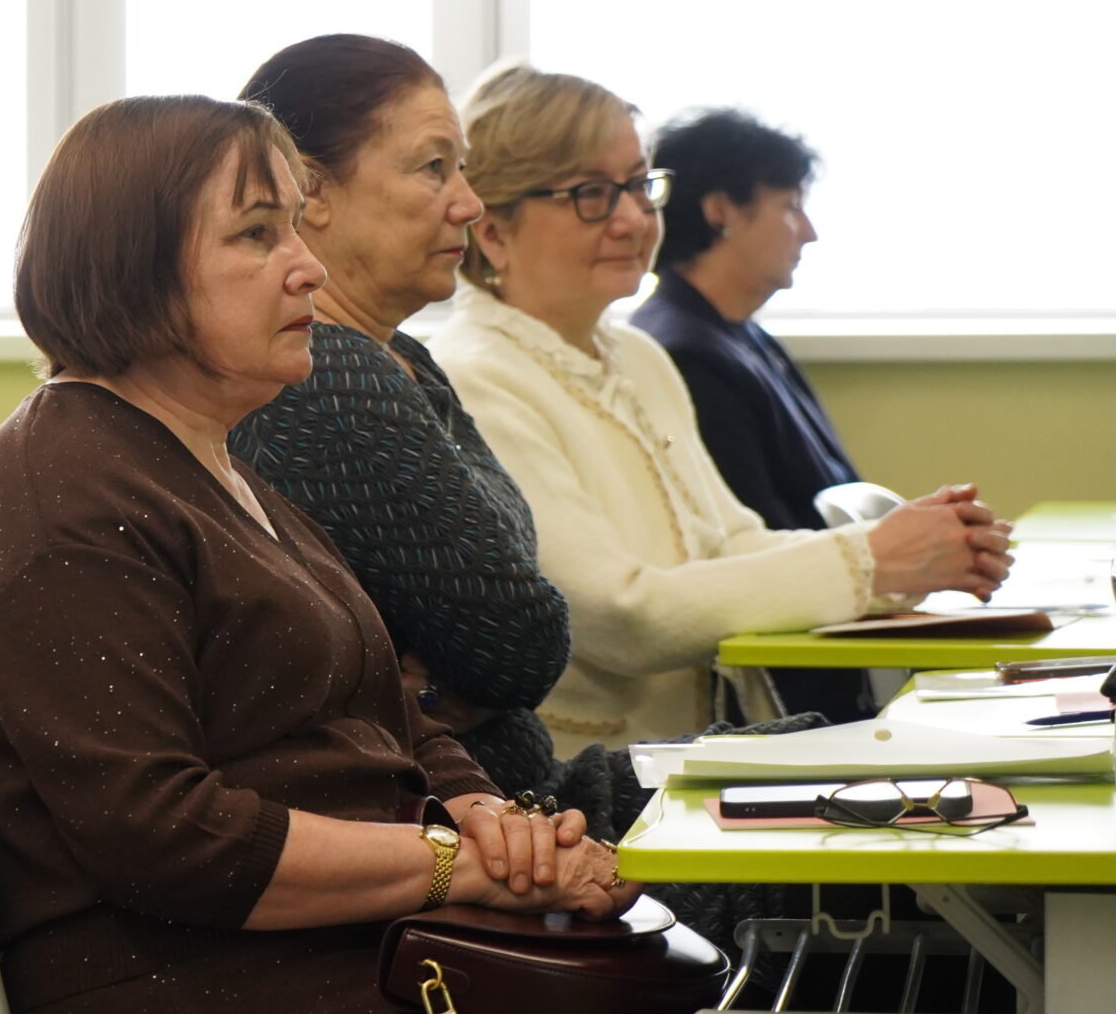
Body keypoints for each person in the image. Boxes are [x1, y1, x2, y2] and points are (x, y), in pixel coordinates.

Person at [0, 94, 638, 1014]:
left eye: (295, 224)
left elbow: (386, 707)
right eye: (258, 233)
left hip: (344, 958)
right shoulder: (66, 491)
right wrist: (460, 868)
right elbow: (167, 838)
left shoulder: (207, 456)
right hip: (201, 1000)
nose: (308, 265)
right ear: (130, 267)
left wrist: (488, 818)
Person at [426, 63, 1010, 752]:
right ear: (493, 231)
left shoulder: (637, 355)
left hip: (705, 745)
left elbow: (734, 541)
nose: (633, 218)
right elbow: (621, 617)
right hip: (588, 773)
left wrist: (911, 549)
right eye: (592, 195)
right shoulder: (474, 375)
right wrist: (871, 561)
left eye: (639, 185)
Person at [224, 35, 634, 830]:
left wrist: (454, 683)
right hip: (473, 831)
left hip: (518, 801)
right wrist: (470, 683)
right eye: (433, 167)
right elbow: (524, 644)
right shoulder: (329, 377)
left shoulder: (403, 355)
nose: (469, 204)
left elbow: (513, 623)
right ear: (311, 190)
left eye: (463, 169)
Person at [633, 108, 876, 534]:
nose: (809, 232)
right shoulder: (687, 356)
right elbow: (757, 534)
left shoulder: (740, 333)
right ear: (720, 211)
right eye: (791, 208)